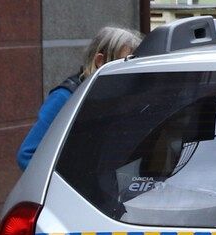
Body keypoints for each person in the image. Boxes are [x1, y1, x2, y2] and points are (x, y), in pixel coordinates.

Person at [16, 26, 142, 169]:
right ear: (100, 61)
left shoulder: (115, 99)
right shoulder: (64, 97)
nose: (130, 74)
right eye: (123, 64)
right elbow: (27, 155)